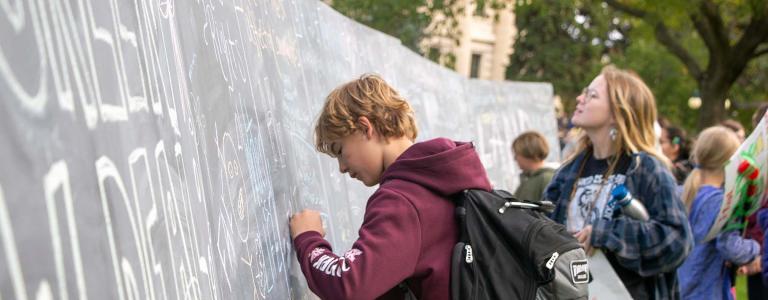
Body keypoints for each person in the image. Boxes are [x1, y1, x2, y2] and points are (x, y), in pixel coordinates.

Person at [289, 74, 492, 299]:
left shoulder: (403, 200)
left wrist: (308, 239)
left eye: (340, 151)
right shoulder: (448, 178)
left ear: (365, 128)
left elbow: (349, 285)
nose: (342, 167)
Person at [543, 66, 693, 299]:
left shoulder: (646, 169)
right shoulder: (567, 172)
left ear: (618, 113)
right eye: (584, 92)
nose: (580, 98)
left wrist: (607, 234)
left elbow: (676, 242)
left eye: (592, 95)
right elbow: (544, 234)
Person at [677, 126, 760, 300]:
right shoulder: (724, 203)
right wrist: (755, 249)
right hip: (706, 290)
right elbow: (729, 246)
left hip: (678, 287)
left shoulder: (681, 193)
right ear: (733, 161)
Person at [512, 131, 555, 201]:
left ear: (528, 152)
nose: (515, 159)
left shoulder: (547, 179)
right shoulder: (527, 179)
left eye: (517, 154)